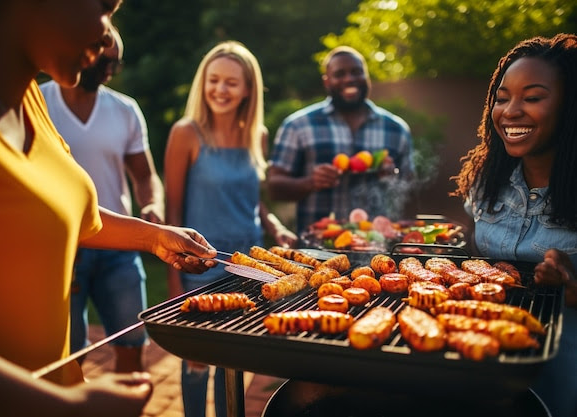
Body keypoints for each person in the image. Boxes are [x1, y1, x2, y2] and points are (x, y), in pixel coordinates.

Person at [0, 1, 217, 416]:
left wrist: (153, 237)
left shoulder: (30, 105)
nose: (109, 36)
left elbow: (73, 217)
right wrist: (61, 405)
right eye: (103, 7)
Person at [164, 40, 297, 417]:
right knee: (196, 365)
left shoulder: (258, 135)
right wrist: (174, 284)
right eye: (213, 80)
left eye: (231, 83)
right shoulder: (186, 133)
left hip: (248, 269)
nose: (220, 90)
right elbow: (172, 214)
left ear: (248, 90)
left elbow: (255, 201)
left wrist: (274, 226)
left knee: (233, 365)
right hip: (199, 268)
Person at [451, 33, 577, 417]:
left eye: (533, 98)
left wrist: (571, 285)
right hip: (484, 369)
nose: (510, 111)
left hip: (563, 379)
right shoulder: (486, 183)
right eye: (502, 97)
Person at [40, 29, 163, 373]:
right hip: (64, 249)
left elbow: (145, 175)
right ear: (81, 51)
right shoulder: (38, 102)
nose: (111, 69)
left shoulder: (125, 110)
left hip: (119, 249)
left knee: (131, 345)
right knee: (68, 356)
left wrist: (152, 204)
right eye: (105, 60)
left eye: (117, 63)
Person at [267, 45, 415, 236]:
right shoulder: (298, 125)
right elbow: (274, 188)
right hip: (317, 251)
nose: (349, 79)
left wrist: (391, 177)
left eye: (356, 72)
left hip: (378, 249)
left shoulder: (396, 129)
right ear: (327, 82)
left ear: (367, 77)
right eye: (340, 74)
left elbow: (411, 192)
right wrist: (311, 182)